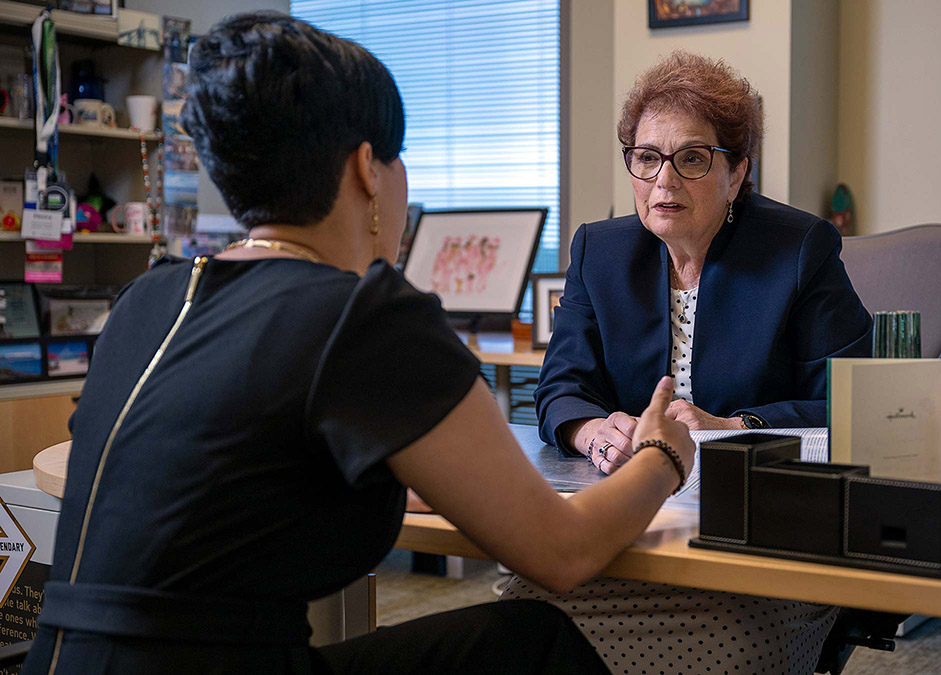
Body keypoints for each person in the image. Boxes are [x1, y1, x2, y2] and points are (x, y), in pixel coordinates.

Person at [23, 13, 695, 674]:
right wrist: (663, 455)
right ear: (367, 169)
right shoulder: (366, 315)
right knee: (532, 640)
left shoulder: (149, 297)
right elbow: (562, 553)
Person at [504, 52, 872, 674]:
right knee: (520, 621)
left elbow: (854, 399)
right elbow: (561, 386)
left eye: (692, 159)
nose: (663, 182)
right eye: (647, 158)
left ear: (737, 172)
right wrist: (594, 431)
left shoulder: (799, 249)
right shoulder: (600, 249)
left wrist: (736, 430)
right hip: (630, 521)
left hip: (759, 534)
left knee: (722, 652)